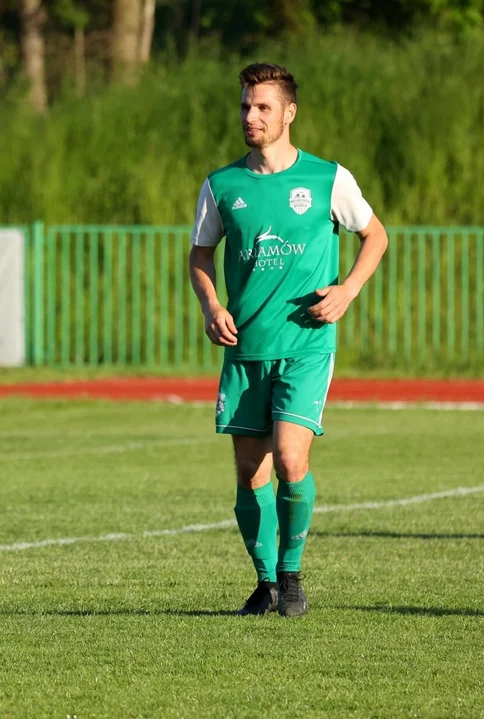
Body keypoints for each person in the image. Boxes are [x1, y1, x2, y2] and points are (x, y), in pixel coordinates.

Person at [188, 63, 389, 618]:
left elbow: (375, 236)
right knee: (248, 473)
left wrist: (348, 290)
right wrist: (212, 305)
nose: (251, 116)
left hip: (306, 344)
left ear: (289, 113)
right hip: (245, 350)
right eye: (245, 106)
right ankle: (266, 582)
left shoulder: (328, 178)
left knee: (290, 460)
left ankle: (293, 574)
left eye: (263, 107)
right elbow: (201, 254)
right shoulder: (221, 185)